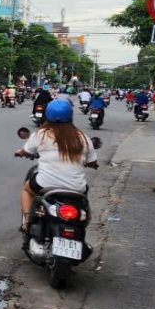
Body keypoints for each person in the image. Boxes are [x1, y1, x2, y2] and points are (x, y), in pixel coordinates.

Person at [16, 99, 99, 232]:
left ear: (47, 115)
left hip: (45, 184)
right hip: (77, 188)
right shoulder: (83, 138)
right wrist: (92, 164)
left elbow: (26, 151)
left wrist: (20, 152)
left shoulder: (41, 134)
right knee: (82, 202)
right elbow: (92, 161)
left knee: (26, 190)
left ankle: (26, 222)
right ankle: (80, 221)